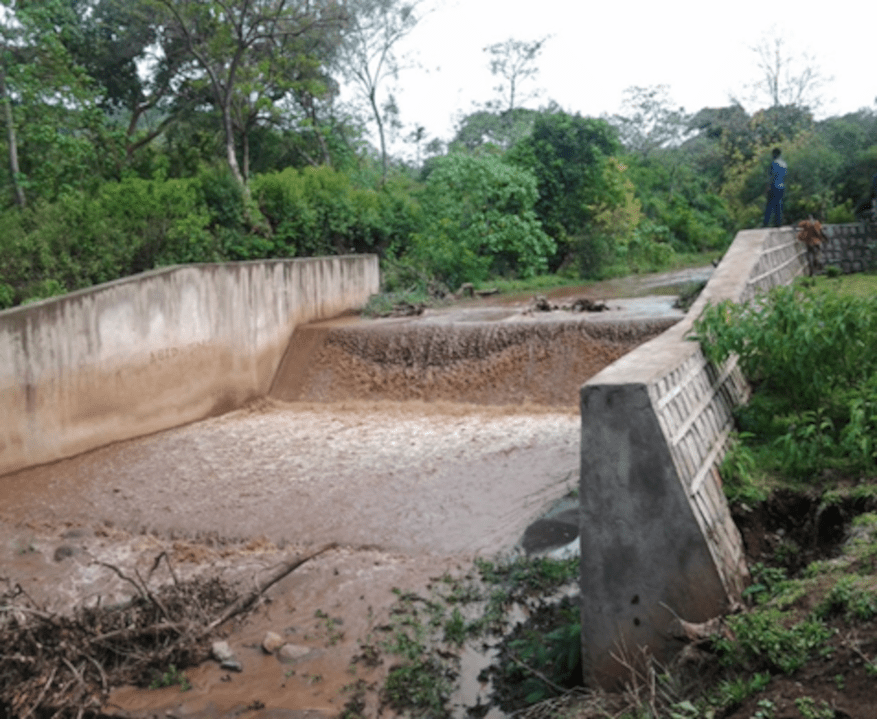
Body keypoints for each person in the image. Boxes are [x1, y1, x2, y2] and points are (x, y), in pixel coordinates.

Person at [763, 147, 787, 227]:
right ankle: (778, 223)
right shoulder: (784, 164)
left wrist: (767, 187)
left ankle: (766, 223)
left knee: (769, 205)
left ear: (774, 154)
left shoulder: (774, 163)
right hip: (781, 186)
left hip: (774, 186)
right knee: (779, 204)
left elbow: (771, 176)